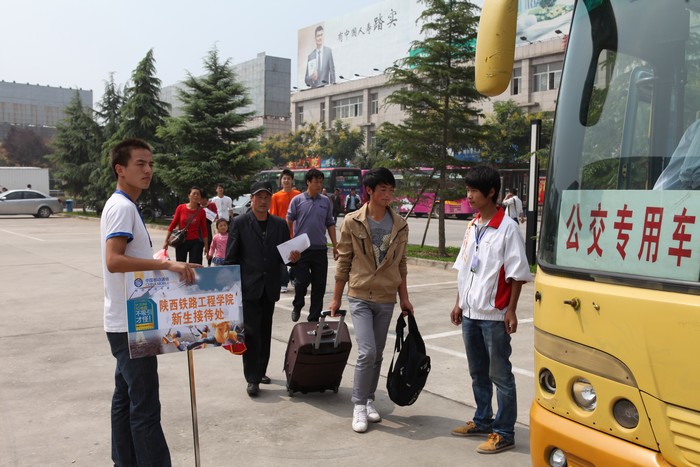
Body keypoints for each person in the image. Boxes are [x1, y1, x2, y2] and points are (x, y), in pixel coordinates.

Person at [101, 138, 199, 466]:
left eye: (151, 164)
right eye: (140, 164)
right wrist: (167, 265)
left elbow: (128, 261)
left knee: (125, 399)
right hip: (132, 325)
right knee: (145, 409)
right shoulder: (122, 207)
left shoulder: (123, 205)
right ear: (120, 169)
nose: (148, 170)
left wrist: (161, 265)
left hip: (125, 320)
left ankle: (124, 461)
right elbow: (114, 260)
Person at [449, 165, 531, 455]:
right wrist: (459, 302)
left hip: (494, 316)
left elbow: (517, 274)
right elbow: (464, 268)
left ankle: (505, 432)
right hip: (471, 313)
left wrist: (511, 311)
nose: (469, 196)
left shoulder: (507, 228)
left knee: (501, 376)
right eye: (468, 190)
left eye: (474, 191)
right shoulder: (473, 226)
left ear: (491, 192)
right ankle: (483, 420)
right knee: (478, 373)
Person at [328, 167, 414, 434]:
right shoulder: (352, 221)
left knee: (378, 353)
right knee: (367, 352)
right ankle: (358, 404)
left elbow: (401, 264)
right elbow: (344, 261)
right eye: (383, 189)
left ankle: (369, 399)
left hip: (386, 297)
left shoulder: (400, 224)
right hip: (360, 295)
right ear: (370, 191)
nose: (388, 195)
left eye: (391, 190)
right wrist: (335, 298)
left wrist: (404, 298)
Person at [225, 181, 300, 396]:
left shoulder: (279, 224)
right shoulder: (240, 223)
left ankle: (261, 371)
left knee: (265, 331)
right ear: (252, 199)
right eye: (259, 197)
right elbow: (231, 258)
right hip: (248, 287)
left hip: (270, 287)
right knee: (251, 333)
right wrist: (232, 289)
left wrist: (294, 258)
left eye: (267, 197)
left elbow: (285, 256)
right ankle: (252, 378)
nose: (263, 201)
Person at [287, 168, 338, 322]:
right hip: (301, 250)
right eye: (316, 181)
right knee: (301, 281)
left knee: (319, 285)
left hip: (320, 249)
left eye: (321, 182)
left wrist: (335, 245)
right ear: (308, 182)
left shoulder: (325, 201)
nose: (319, 185)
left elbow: (330, 223)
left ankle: (314, 318)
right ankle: (298, 304)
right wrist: (288, 242)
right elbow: (289, 220)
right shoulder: (297, 200)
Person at [270, 169, 301, 293]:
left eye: (289, 178)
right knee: (282, 257)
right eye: (284, 178)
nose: (286, 180)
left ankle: (293, 277)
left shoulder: (298, 195)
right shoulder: (275, 196)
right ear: (281, 180)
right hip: (281, 231)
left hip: (297, 231)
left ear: (292, 181)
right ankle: (283, 282)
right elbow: (273, 215)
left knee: (296, 256)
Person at [164, 187, 209, 264]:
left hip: (195, 242)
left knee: (195, 265)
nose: (196, 196)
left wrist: (206, 247)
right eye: (194, 193)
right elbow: (173, 224)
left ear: (200, 197)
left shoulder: (201, 211)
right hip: (181, 241)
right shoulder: (181, 208)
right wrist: (166, 241)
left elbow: (204, 230)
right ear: (189, 195)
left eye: (198, 194)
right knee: (181, 265)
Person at [200, 190, 218, 265]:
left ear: (205, 199)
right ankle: (199, 265)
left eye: (201, 199)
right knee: (199, 248)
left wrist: (207, 212)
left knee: (210, 248)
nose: (200, 201)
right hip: (200, 230)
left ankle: (209, 265)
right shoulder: (197, 206)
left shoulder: (212, 205)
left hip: (210, 229)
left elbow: (216, 216)